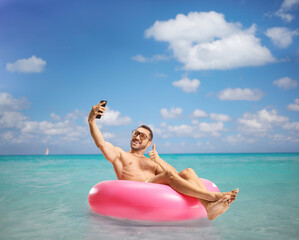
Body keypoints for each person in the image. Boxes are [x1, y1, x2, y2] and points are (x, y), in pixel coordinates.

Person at [88, 101, 239, 220]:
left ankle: (209, 208)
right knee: (168, 176)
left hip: (154, 189)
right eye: (136, 133)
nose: (137, 137)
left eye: (143, 136)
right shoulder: (120, 155)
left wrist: (159, 160)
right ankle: (212, 197)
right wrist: (91, 121)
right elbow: (101, 143)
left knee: (189, 171)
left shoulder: (151, 162)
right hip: (137, 191)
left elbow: (176, 175)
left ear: (148, 144)